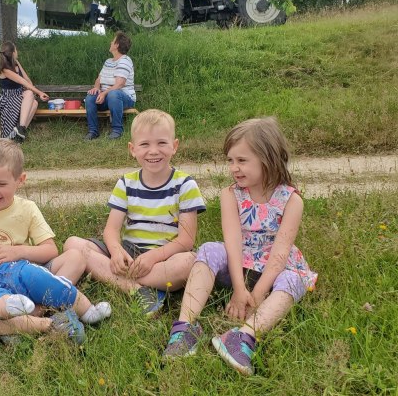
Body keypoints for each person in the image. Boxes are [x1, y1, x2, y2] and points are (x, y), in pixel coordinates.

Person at [162, 117, 318, 376]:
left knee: (295, 279)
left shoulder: (291, 200)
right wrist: (238, 289)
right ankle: (185, 328)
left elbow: (280, 255)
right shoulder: (231, 194)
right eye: (230, 160)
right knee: (211, 249)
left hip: (272, 268)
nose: (234, 168)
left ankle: (243, 336)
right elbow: (232, 242)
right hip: (239, 262)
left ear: (268, 159)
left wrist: (255, 296)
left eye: (242, 160)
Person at [0, 138, 92, 341]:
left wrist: (18, 252)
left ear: (20, 180)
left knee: (76, 257)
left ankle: (20, 322)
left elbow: (50, 250)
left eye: (1, 184)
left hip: (28, 280)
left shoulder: (26, 209)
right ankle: (44, 321)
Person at [62, 109, 206, 315]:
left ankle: (121, 279)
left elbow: (186, 241)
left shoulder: (185, 184)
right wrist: (116, 251)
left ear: (174, 146)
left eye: (161, 143)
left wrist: (153, 257)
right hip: (130, 252)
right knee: (73, 243)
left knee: (189, 262)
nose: (153, 151)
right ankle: (138, 289)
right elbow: (111, 230)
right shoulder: (126, 182)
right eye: (145, 144)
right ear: (133, 149)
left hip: (166, 255)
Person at [84, 31, 136, 140]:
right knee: (90, 97)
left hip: (124, 98)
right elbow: (99, 78)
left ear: (116, 45)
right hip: (107, 97)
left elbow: (120, 84)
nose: (111, 42)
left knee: (114, 94)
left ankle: (117, 130)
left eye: (113, 41)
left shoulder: (125, 60)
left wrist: (104, 93)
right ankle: (93, 131)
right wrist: (97, 88)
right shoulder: (108, 61)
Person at [0, 41, 49, 143]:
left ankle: (19, 132)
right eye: (16, 50)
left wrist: (30, 89)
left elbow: (28, 81)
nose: (17, 51)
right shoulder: (4, 70)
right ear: (13, 53)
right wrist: (39, 93)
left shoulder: (17, 63)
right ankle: (20, 129)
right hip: (8, 100)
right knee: (29, 93)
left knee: (34, 103)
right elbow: (22, 82)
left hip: (18, 95)